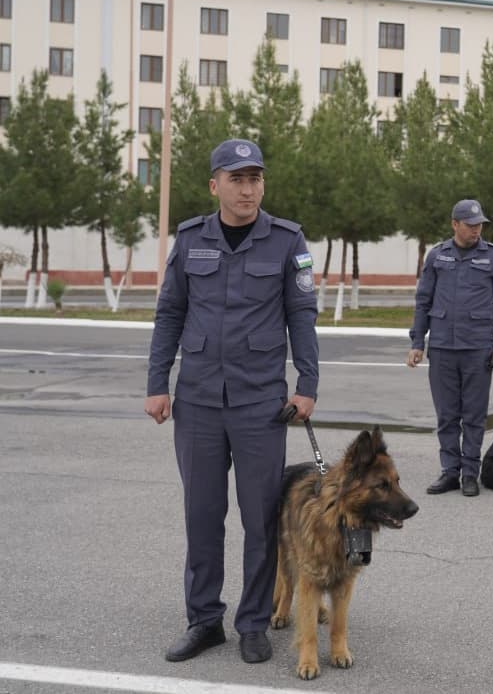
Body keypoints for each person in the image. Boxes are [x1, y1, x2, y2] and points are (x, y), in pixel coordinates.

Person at [144, 139, 319, 665]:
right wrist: (158, 382)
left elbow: (301, 316)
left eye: (255, 178)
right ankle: (204, 620)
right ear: (214, 184)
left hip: (259, 404)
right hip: (197, 399)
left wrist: (306, 384)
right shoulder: (191, 238)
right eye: (236, 179)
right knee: (202, 515)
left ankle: (253, 622)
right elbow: (170, 313)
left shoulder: (287, 241)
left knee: (261, 517)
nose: (247, 189)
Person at [407, 198, 493, 498]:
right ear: (455, 224)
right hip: (441, 346)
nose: (476, 230)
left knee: (474, 415)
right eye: (470, 225)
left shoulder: (492, 257)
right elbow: (423, 300)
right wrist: (417, 342)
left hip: (477, 348)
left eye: (479, 225)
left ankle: (469, 473)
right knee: (447, 415)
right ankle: (450, 471)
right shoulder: (437, 256)